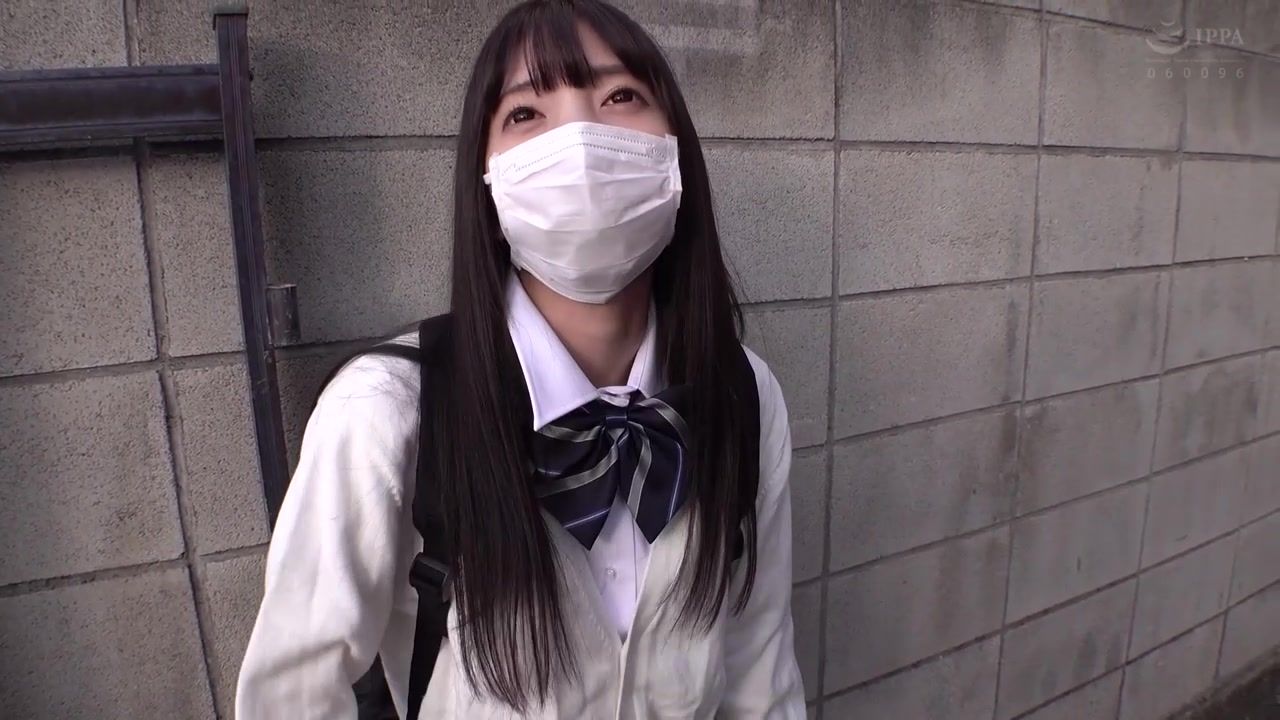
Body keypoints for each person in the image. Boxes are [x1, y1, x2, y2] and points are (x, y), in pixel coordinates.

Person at [234, 0, 805, 717]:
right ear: (488, 177)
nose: (581, 141)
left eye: (621, 96)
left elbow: (760, 670)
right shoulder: (386, 411)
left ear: (675, 151)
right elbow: (291, 697)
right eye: (527, 114)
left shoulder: (746, 394)